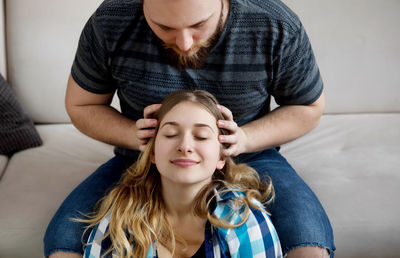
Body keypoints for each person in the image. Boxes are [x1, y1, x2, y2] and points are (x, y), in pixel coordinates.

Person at [44, 0, 335, 257]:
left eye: (198, 25)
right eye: (164, 27)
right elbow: (81, 105)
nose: (183, 43)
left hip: (251, 154)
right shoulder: (110, 21)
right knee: (63, 242)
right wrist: (133, 135)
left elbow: (308, 108)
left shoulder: (276, 24)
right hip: (144, 156)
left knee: (308, 243)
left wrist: (246, 138)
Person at [77, 89, 282, 258]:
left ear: (222, 157)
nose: (185, 146)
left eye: (201, 136)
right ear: (153, 153)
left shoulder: (246, 222)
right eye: (170, 134)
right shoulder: (121, 219)